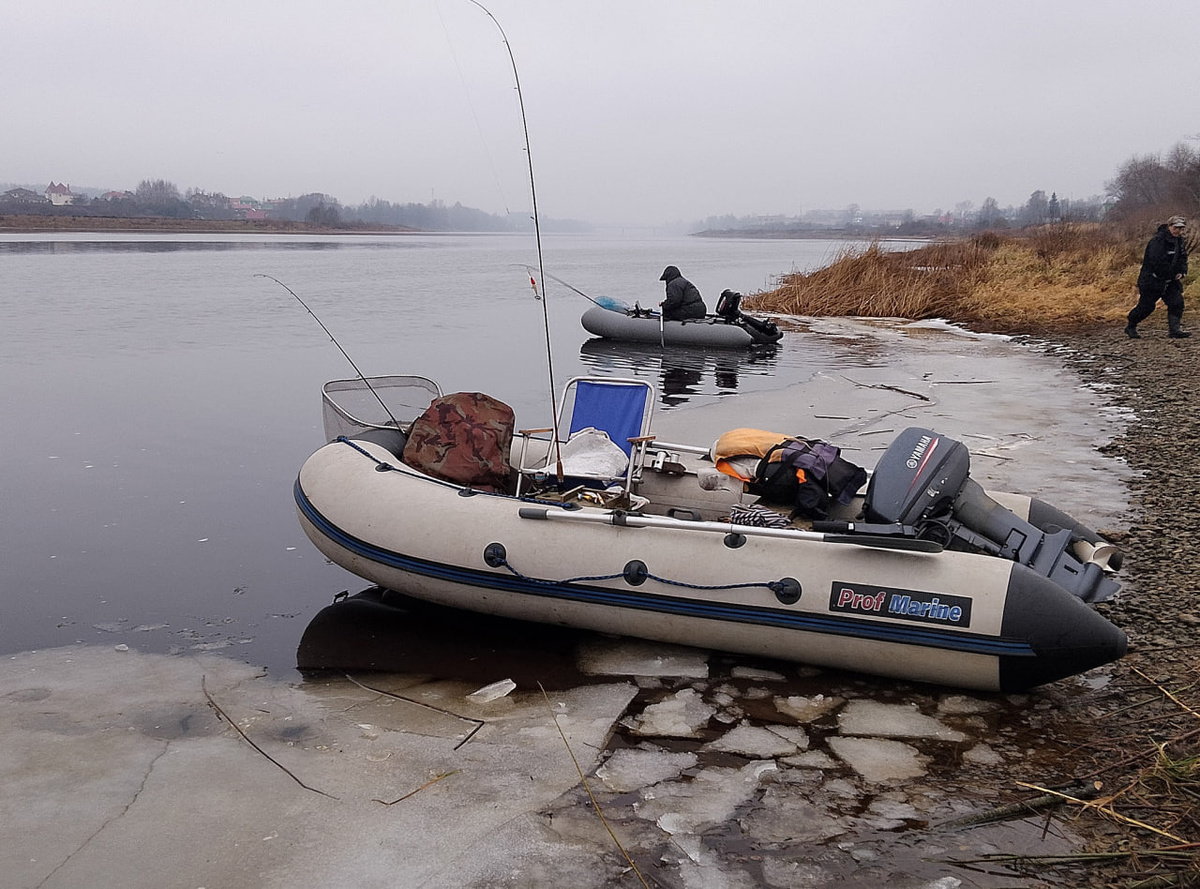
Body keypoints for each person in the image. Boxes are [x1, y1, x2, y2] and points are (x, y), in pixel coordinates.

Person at [1126, 215, 1190, 339]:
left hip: (1170, 280)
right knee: (1147, 307)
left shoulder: (1180, 241)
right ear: (1169, 226)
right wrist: (1170, 274)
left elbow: (1183, 258)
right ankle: (1131, 326)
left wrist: (1182, 272)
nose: (1178, 231)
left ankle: (1175, 330)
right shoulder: (1157, 241)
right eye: (1176, 227)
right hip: (1152, 280)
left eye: (1181, 228)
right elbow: (1157, 261)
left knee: (1177, 302)